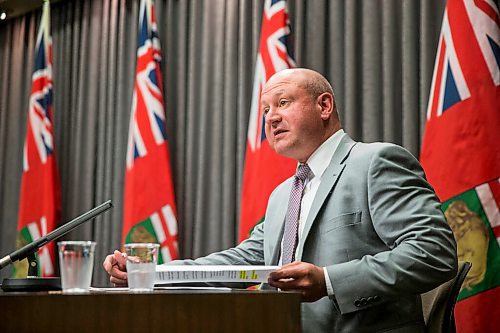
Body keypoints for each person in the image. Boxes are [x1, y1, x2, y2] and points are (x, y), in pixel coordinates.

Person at [104, 68, 458, 333]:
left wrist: (328, 281)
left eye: (283, 103)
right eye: (264, 110)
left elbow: (433, 252)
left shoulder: (374, 162)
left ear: (324, 105)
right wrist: (151, 274)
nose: (270, 117)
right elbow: (244, 261)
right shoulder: (283, 194)